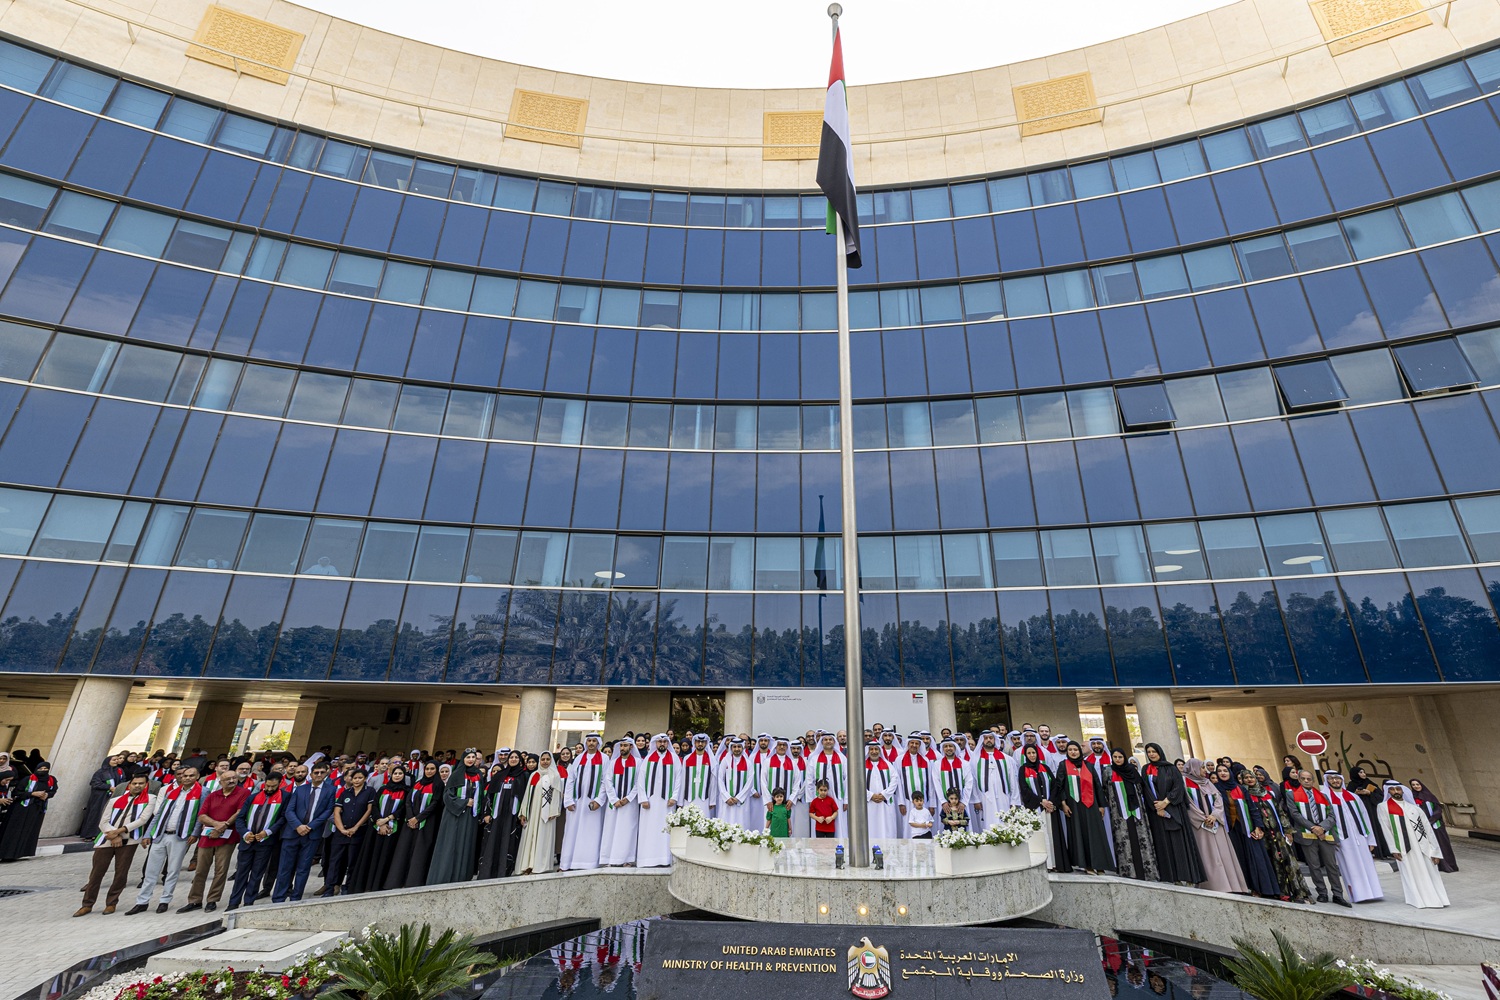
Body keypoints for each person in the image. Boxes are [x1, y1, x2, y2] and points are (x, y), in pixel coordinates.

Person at [127, 765, 202, 914]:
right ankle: (142, 902)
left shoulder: (202, 792)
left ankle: (164, 900)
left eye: (191, 775)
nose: (187, 778)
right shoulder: (172, 791)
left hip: (180, 836)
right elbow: (159, 814)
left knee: (172, 871)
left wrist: (195, 833)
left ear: (197, 777)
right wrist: (148, 834)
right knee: (151, 870)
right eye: (184, 775)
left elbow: (201, 815)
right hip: (160, 834)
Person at [75, 773, 153, 916]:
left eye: (141, 783)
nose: (137, 786)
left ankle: (111, 903)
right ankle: (87, 904)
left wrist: (119, 832)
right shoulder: (115, 800)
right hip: (107, 839)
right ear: (129, 784)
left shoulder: (150, 799)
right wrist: (114, 836)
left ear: (146, 785)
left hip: (129, 840)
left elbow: (142, 820)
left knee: (121, 873)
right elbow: (103, 821)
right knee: (96, 873)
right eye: (135, 783)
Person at [179, 771, 250, 913]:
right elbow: (202, 815)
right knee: (200, 870)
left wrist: (224, 825)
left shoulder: (243, 793)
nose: (231, 780)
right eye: (227, 779)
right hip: (208, 836)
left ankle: (212, 899)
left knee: (221, 870)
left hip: (227, 837)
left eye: (234, 778)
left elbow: (239, 812)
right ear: (220, 782)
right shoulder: (213, 795)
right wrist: (216, 824)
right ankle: (195, 900)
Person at [1140, 743, 1205, 886]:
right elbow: (1145, 789)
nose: (1151, 754)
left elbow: (1178, 787)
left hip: (1174, 810)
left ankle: (1188, 877)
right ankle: (1173, 878)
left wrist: (1165, 802)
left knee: (1179, 844)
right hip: (1156, 813)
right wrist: (1157, 807)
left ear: (1160, 752)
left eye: (1154, 751)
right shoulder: (1146, 769)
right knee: (1164, 845)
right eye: (1149, 752)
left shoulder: (1171, 768)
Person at [1283, 769, 1350, 906]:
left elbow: (1332, 815)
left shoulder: (1323, 795)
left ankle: (1338, 894)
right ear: (1299, 780)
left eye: (1309, 779)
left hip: (1326, 835)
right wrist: (1314, 828)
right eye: (1303, 778)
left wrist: (1322, 828)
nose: (1306, 781)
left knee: (1332, 866)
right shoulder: (1292, 795)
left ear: (1313, 781)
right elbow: (1295, 814)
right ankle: (1322, 892)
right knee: (1314, 866)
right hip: (1307, 835)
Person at [1378, 781, 1449, 909]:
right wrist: (1393, 848)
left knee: (1430, 873)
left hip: (1424, 846)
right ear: (1388, 791)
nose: (1396, 791)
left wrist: (1435, 850)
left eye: (1398, 789)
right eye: (1392, 789)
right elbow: (1386, 829)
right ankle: (1417, 900)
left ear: (1403, 791)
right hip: (1403, 847)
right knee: (1411, 874)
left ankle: (1438, 899)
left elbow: (1428, 830)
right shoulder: (1383, 807)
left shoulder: (1415, 808)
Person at [272, 761, 334, 903]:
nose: (319, 775)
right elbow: (289, 810)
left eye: (322, 773)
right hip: (292, 833)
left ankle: (296, 898)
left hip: (312, 835)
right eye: (316, 772)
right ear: (311, 775)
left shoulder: (330, 790)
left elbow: (327, 811)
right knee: (285, 867)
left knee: (303, 868)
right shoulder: (300, 789)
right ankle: (278, 898)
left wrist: (310, 826)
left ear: (326, 774)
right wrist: (298, 826)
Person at [1183, 759, 1246, 894]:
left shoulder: (1208, 783)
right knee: (1208, 854)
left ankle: (1231, 885)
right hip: (1200, 826)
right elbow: (1188, 804)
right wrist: (1203, 818)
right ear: (1194, 769)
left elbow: (1218, 800)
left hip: (1215, 823)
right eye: (1202, 768)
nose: (1205, 770)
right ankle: (1215, 885)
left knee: (1224, 853)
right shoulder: (1184, 782)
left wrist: (1214, 815)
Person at [225, 771, 286, 910]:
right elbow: (240, 818)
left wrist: (268, 832)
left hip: (265, 842)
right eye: (267, 786)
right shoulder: (253, 797)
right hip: (247, 841)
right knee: (241, 874)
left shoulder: (285, 797)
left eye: (273, 786)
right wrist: (245, 833)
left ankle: (248, 903)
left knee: (257, 874)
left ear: (280, 784)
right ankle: (233, 903)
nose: (269, 789)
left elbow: (282, 818)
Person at [1055, 741, 1114, 874]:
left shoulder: (1088, 765)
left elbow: (1097, 786)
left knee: (1095, 834)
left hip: (1091, 806)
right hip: (1074, 807)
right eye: (1070, 750)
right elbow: (1059, 786)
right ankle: (1087, 865)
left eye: (1075, 749)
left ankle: (1099, 864)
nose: (1073, 752)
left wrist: (1101, 805)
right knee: (1079, 833)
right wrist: (1063, 804)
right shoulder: (1063, 765)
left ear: (1080, 751)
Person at [1323, 772, 1383, 903]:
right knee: (1350, 868)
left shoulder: (1354, 797)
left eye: (1337, 778)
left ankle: (1375, 892)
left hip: (1360, 837)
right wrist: (1332, 839)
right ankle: (1358, 895)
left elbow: (1365, 817)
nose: (1335, 781)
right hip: (1342, 839)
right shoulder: (1325, 797)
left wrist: (1370, 839)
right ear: (1327, 781)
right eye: (1331, 779)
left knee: (1367, 865)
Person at [428, 749, 484, 884]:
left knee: (466, 843)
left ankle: (461, 876)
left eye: (473, 757)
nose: (471, 759)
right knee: (451, 843)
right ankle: (445, 876)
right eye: (468, 757)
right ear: (463, 758)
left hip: (470, 816)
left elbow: (481, 796)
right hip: (454, 815)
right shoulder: (456, 774)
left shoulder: (478, 775)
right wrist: (464, 803)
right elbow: (447, 796)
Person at [1224, 767, 1281, 897]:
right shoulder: (1222, 790)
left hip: (1251, 829)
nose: (1249, 780)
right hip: (1235, 831)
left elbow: (1253, 809)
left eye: (1226, 771)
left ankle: (1264, 889)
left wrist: (1258, 826)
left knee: (1258, 860)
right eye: (1245, 778)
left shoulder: (1244, 790)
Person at [384, 760, 441, 889]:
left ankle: (413, 881)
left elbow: (435, 804)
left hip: (426, 824)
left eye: (432, 769)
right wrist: (411, 818)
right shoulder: (418, 783)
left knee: (419, 852)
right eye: (427, 769)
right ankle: (398, 881)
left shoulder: (438, 785)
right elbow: (408, 801)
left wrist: (418, 818)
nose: (429, 771)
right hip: (409, 823)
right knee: (404, 850)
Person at [1105, 749, 1158, 881]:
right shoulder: (1108, 771)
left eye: (1120, 757)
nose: (1118, 759)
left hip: (1138, 813)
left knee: (1141, 838)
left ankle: (1147, 872)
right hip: (1119, 814)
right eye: (1115, 757)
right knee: (1124, 840)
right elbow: (1105, 789)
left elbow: (1141, 788)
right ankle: (1128, 872)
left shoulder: (1132, 771)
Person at [560, 735, 608, 871]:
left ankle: (588, 863)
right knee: (572, 832)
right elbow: (571, 780)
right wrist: (568, 800)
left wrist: (599, 800)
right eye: (589, 741)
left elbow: (605, 781)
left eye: (594, 741)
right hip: (577, 802)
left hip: (593, 804)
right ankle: (567, 863)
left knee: (591, 832)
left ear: (598, 743)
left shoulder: (604, 759)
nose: (591, 743)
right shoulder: (578, 759)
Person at [636, 734, 682, 869]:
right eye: (659, 741)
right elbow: (641, 779)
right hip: (649, 802)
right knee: (648, 830)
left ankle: (664, 859)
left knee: (665, 830)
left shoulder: (674, 758)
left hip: (667, 803)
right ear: (655, 743)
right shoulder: (648, 758)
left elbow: (679, 779)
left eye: (664, 741)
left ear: (668, 743)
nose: (662, 744)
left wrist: (674, 797)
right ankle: (647, 859)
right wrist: (643, 798)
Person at [478, 754, 526, 879]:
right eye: (511, 757)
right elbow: (489, 795)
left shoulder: (523, 776)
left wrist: (523, 814)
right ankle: (488, 871)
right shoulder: (500, 775)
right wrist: (487, 813)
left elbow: (525, 797)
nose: (513, 759)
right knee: (492, 842)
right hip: (496, 816)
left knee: (508, 842)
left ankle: (504, 871)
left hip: (512, 818)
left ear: (520, 760)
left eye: (516, 757)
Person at [516, 751, 563, 875]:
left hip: (547, 813)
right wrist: (524, 812)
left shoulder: (554, 775)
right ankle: (528, 864)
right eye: (543, 759)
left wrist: (553, 811)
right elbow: (527, 794)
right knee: (530, 836)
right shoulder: (534, 775)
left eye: (548, 759)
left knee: (543, 836)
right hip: (533, 811)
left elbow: (557, 795)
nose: (545, 762)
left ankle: (540, 865)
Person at [0, 760, 55, 862]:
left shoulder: (51, 780)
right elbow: (17, 793)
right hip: (21, 809)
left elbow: (53, 791)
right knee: (15, 831)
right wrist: (32, 794)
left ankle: (19, 853)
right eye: (40, 768)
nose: (43, 771)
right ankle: (7, 854)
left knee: (28, 831)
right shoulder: (28, 779)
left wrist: (47, 795)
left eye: (45, 769)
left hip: (37, 810)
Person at [600, 739, 641, 866]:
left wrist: (628, 798)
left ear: (631, 747)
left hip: (630, 804)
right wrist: (614, 799)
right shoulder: (613, 763)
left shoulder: (638, 762)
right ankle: (609, 859)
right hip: (614, 803)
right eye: (621, 746)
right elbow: (608, 781)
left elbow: (639, 782)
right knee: (611, 830)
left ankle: (626, 859)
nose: (622, 748)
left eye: (625, 745)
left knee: (627, 830)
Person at [1407, 779, 1458, 873]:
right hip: (1422, 826)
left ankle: (1448, 865)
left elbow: (1438, 810)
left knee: (1442, 844)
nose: (1416, 786)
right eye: (1413, 785)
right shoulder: (1412, 799)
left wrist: (1431, 821)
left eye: (1417, 784)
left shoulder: (1430, 797)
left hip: (1435, 825)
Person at [971, 730, 1017, 831]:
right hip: (984, 798)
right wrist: (976, 800)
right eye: (986, 738)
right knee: (988, 823)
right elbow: (973, 781)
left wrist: (1014, 800)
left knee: (1006, 823)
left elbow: (1013, 780)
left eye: (991, 738)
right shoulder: (975, 759)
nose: (988, 740)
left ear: (995, 740)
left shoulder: (1007, 759)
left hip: (1004, 796)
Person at [759, 738, 804, 837]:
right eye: (779, 745)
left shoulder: (792, 763)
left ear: (787, 747)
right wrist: (768, 800)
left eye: (784, 745)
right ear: (775, 747)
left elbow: (797, 783)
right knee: (770, 827)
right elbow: (763, 782)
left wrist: (791, 799)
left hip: (787, 803)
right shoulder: (768, 762)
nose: (782, 747)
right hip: (772, 804)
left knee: (788, 828)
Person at [1347, 765, 1393, 860]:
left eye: (1364, 772)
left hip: (1373, 811)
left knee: (1378, 829)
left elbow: (1381, 797)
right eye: (1360, 772)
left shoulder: (1370, 784)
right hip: (1360, 813)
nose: (1363, 774)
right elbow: (1347, 800)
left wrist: (1369, 793)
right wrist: (1355, 794)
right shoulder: (1351, 786)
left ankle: (1384, 851)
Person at [808, 734, 848, 839]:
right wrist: (811, 800)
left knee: (838, 824)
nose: (828, 741)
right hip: (819, 797)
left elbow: (847, 780)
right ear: (822, 742)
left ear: (834, 742)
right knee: (819, 822)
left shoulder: (842, 758)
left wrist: (846, 800)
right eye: (825, 740)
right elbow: (809, 781)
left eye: (830, 739)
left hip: (838, 797)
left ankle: (839, 845)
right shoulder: (814, 759)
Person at [77, 753, 126, 840]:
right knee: (96, 814)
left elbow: (123, 781)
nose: (116, 761)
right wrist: (109, 787)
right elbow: (95, 783)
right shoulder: (101, 772)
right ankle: (90, 834)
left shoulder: (119, 771)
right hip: (101, 798)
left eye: (117, 759)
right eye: (114, 760)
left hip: (113, 797)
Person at [715, 739, 756, 829]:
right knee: (726, 824)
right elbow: (720, 779)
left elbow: (749, 783)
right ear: (731, 748)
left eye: (739, 747)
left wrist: (738, 798)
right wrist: (726, 797)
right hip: (727, 801)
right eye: (734, 747)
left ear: (743, 748)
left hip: (742, 801)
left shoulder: (748, 763)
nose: (737, 749)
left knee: (741, 824)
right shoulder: (725, 761)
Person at [864, 743, 900, 839]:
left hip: (885, 802)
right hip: (868, 803)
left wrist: (884, 794)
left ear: (880, 751)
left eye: (876, 749)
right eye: (871, 749)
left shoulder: (888, 765)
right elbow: (857, 782)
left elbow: (895, 780)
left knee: (886, 827)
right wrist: (870, 795)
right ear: (868, 751)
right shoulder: (862, 765)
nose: (874, 752)